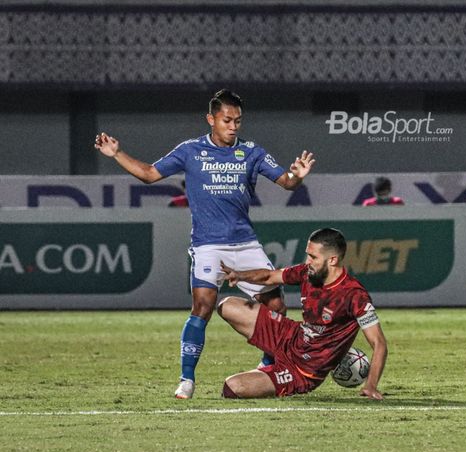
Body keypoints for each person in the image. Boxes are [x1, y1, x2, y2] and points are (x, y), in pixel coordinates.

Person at [94, 89, 316, 399]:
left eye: (238, 121)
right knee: (203, 306)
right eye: (227, 120)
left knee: (276, 305)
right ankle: (187, 380)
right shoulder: (190, 151)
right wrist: (116, 153)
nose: (233, 126)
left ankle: (267, 366)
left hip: (245, 244)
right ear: (211, 119)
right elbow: (148, 174)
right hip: (208, 245)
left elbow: (287, 182)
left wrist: (299, 175)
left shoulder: (252, 152)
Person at [217, 228, 388, 399]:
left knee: (232, 387)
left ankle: (269, 373)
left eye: (313, 257)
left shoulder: (354, 295)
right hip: (290, 335)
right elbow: (269, 276)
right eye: (308, 254)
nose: (308, 261)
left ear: (333, 260)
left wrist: (371, 386)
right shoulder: (307, 273)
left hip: (303, 370)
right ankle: (269, 363)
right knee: (227, 305)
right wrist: (239, 275)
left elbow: (379, 343)